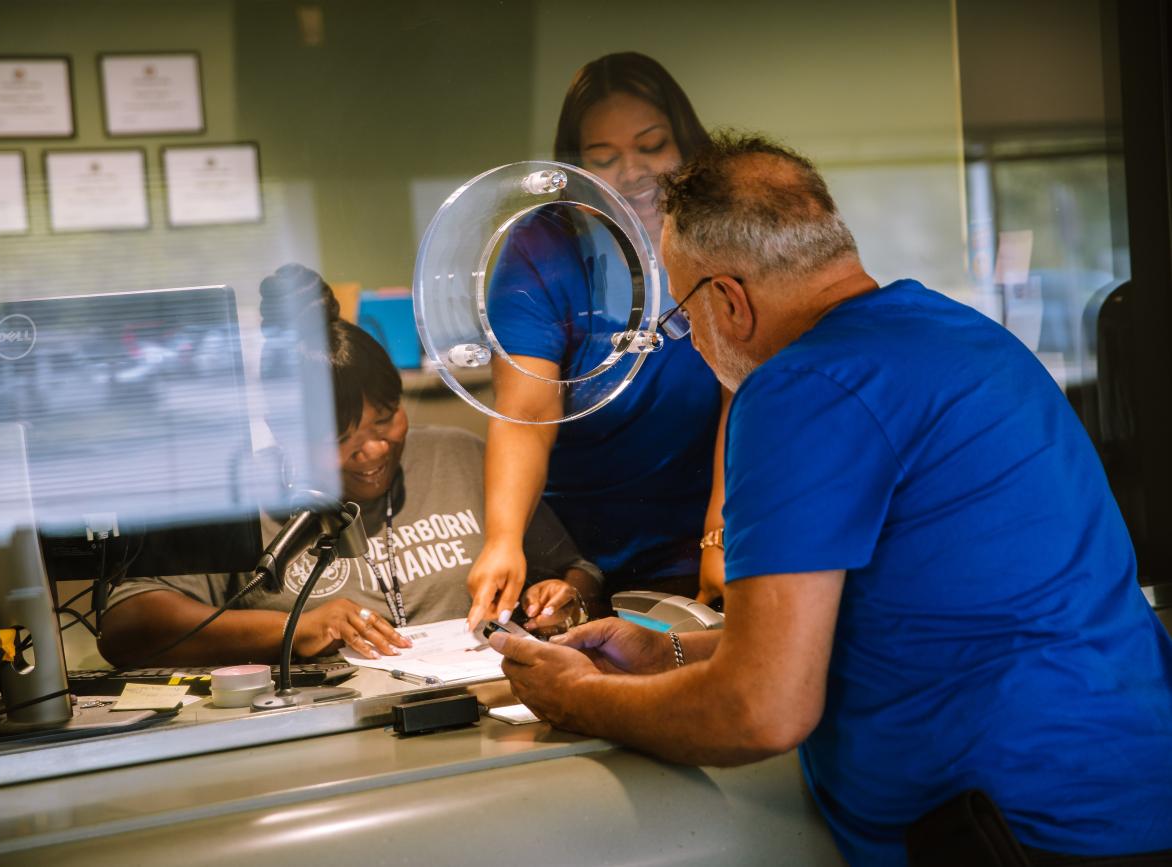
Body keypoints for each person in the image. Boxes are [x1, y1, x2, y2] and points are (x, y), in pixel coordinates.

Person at [488, 133, 1172, 865]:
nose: (688, 343)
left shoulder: (799, 387)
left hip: (1027, 830)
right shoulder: (963, 335)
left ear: (729, 301)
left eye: (682, 317)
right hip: (1131, 787)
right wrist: (672, 651)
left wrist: (578, 697)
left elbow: (761, 709)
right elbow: (888, 614)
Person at [98, 265, 600, 667]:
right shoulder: (239, 493)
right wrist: (296, 628)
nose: (375, 449)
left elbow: (580, 574)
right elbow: (129, 625)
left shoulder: (459, 456)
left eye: (385, 421)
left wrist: (562, 600)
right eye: (341, 439)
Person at [468, 52, 728, 630]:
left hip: (700, 539)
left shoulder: (721, 233)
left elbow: (747, 392)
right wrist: (505, 540)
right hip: (573, 555)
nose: (631, 171)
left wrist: (719, 531)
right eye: (602, 157)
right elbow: (525, 410)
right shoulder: (543, 246)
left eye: (652, 144)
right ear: (573, 165)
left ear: (685, 142)